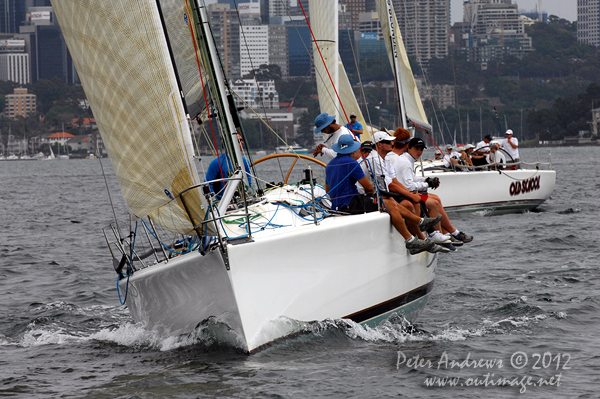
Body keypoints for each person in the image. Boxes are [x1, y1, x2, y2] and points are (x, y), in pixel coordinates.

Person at [325, 134, 442, 255]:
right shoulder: (351, 163)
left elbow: (327, 189)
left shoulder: (329, 165)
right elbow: (368, 187)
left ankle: (420, 223)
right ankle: (411, 238)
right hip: (350, 203)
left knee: (388, 200)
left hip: (339, 205)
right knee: (390, 204)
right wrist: (371, 195)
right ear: (352, 150)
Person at [365, 131, 449, 253]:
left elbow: (394, 181)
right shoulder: (375, 159)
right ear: (379, 145)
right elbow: (390, 185)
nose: (392, 143)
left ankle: (425, 234)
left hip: (383, 193)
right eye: (388, 142)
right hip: (372, 195)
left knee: (416, 200)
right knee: (417, 202)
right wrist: (412, 193)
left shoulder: (385, 159)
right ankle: (424, 234)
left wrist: (411, 194)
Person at [392, 137, 474, 247]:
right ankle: (440, 235)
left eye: (421, 149)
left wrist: (426, 179)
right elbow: (409, 185)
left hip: (406, 192)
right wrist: (427, 184)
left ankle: (448, 233)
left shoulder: (406, 159)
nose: (419, 152)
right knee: (434, 203)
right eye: (417, 148)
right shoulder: (406, 162)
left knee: (436, 198)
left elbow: (411, 178)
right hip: (405, 194)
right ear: (409, 148)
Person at [205, 134, 251, 198]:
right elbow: (207, 184)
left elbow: (249, 183)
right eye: (239, 140)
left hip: (243, 199)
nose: (242, 142)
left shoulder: (245, 162)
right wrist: (216, 201)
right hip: (224, 203)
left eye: (242, 140)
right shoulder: (216, 163)